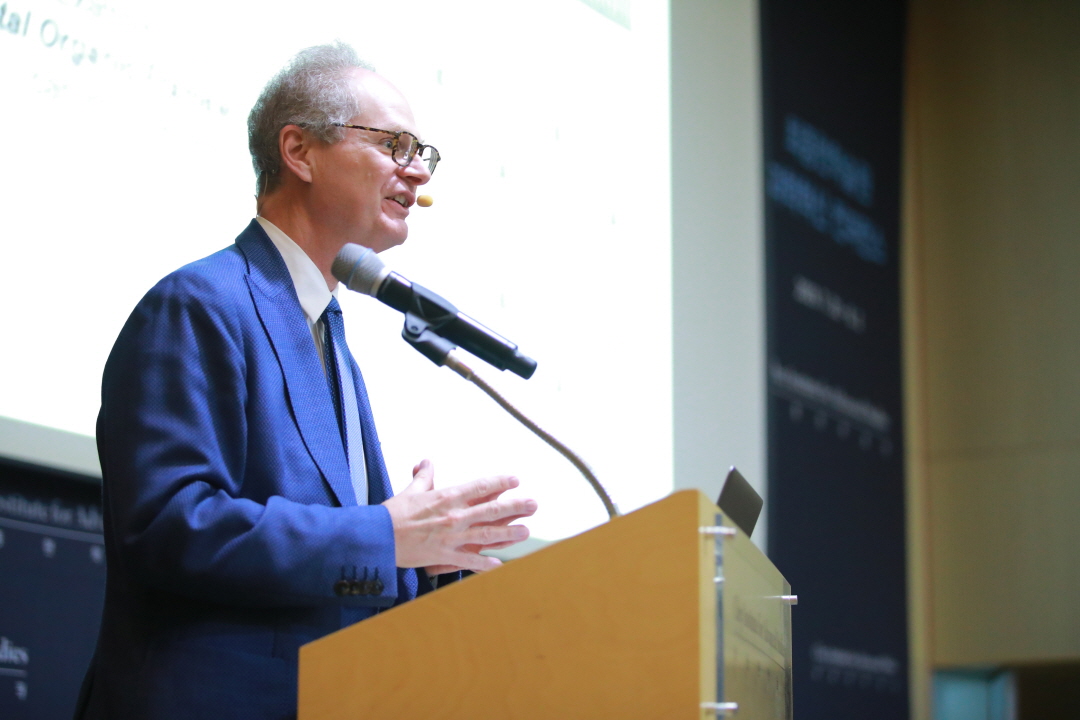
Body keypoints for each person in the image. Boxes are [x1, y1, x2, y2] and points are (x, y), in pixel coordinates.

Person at [74, 43, 537, 720]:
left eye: (422, 154)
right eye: (395, 145)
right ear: (299, 151)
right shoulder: (200, 304)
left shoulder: (331, 336)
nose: (417, 173)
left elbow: (333, 566)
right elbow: (169, 529)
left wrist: (424, 564)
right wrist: (386, 537)